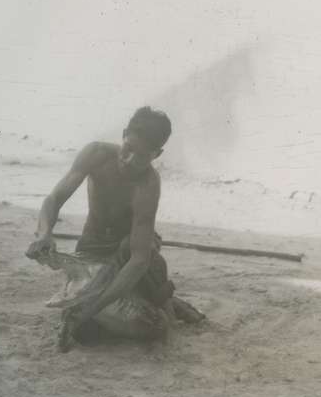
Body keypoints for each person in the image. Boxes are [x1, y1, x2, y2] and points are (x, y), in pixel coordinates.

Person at [25, 107, 203, 350]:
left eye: (141, 156)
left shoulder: (148, 185)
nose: (129, 160)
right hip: (91, 248)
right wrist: (45, 234)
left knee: (155, 323)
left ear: (156, 154)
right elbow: (54, 199)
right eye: (128, 148)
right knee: (87, 334)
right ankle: (149, 299)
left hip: (128, 253)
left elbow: (139, 260)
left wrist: (93, 306)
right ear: (123, 134)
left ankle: (167, 301)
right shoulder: (96, 154)